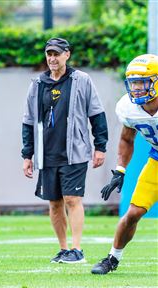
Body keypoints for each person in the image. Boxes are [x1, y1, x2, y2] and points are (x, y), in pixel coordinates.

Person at [21, 38, 108, 263]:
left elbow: (97, 113)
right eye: (49, 54)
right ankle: (63, 249)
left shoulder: (82, 80)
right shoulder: (37, 84)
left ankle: (77, 250)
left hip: (75, 151)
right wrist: (27, 155)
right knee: (54, 203)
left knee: (72, 199)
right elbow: (28, 121)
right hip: (46, 153)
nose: (52, 58)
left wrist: (100, 147)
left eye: (56, 54)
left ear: (67, 55)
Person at [91, 54, 158, 274]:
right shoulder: (128, 108)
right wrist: (120, 170)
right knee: (133, 214)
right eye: (134, 82)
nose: (137, 88)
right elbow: (126, 139)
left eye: (143, 82)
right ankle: (112, 258)